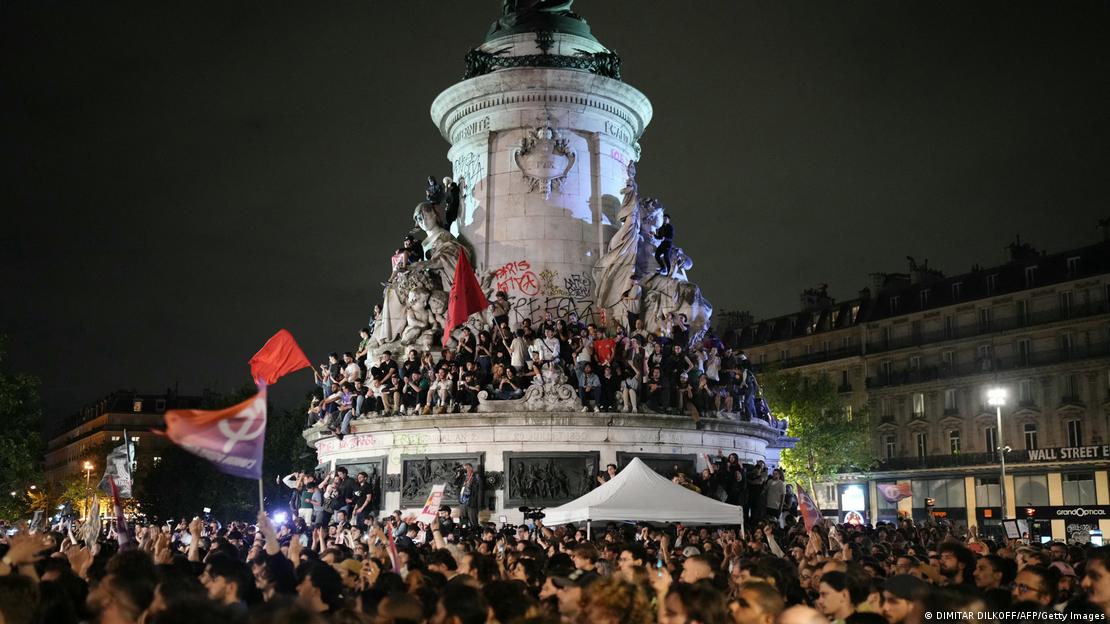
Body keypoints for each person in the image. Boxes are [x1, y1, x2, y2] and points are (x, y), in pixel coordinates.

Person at [456, 462, 482, 530]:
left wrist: (479, 505)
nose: (465, 471)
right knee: (463, 521)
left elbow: (480, 492)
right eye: (464, 469)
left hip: (471, 503)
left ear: (471, 469)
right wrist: (458, 475)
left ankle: (475, 536)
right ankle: (464, 536)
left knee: (473, 522)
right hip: (462, 502)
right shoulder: (463, 477)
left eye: (466, 469)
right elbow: (456, 485)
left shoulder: (476, 477)